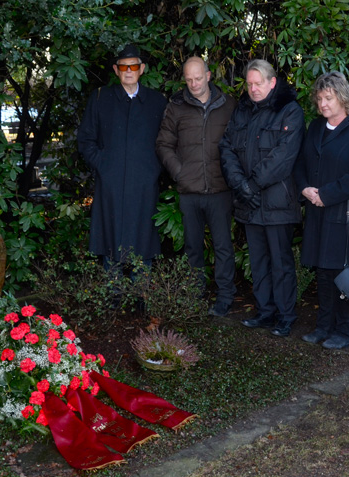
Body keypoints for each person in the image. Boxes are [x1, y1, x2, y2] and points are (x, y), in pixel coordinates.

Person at [218, 59, 304, 337]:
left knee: (281, 263)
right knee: (258, 262)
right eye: (249, 84)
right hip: (250, 203)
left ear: (272, 82)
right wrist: (240, 186)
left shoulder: (289, 111)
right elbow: (227, 148)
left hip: (277, 202)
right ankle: (265, 312)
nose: (253, 89)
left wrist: (250, 186)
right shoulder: (242, 110)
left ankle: (285, 315)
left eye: (258, 83)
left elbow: (283, 157)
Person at [295, 71, 349, 350]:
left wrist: (325, 195)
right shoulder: (316, 127)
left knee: (343, 273)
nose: (322, 104)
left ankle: (343, 330)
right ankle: (323, 326)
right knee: (323, 272)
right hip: (318, 213)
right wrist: (305, 188)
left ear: (343, 97)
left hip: (345, 214)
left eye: (328, 98)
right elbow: (301, 162)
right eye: (319, 99)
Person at [156, 57, 238, 316]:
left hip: (220, 189)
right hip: (189, 191)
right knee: (193, 247)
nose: (194, 84)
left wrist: (232, 175)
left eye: (198, 78)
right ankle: (195, 294)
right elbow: (163, 144)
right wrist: (180, 173)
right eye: (189, 79)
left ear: (209, 75)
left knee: (223, 247)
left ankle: (225, 297)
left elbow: (239, 143)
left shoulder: (228, 105)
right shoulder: (176, 107)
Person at [77, 44, 167, 271]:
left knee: (143, 238)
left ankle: (141, 289)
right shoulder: (101, 98)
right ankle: (113, 289)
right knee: (111, 237)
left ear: (142, 69)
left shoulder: (157, 101)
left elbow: (166, 141)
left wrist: (153, 169)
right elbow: (86, 139)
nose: (128, 71)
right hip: (111, 184)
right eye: (124, 66)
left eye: (133, 66)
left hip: (144, 184)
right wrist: (103, 165)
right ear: (116, 70)